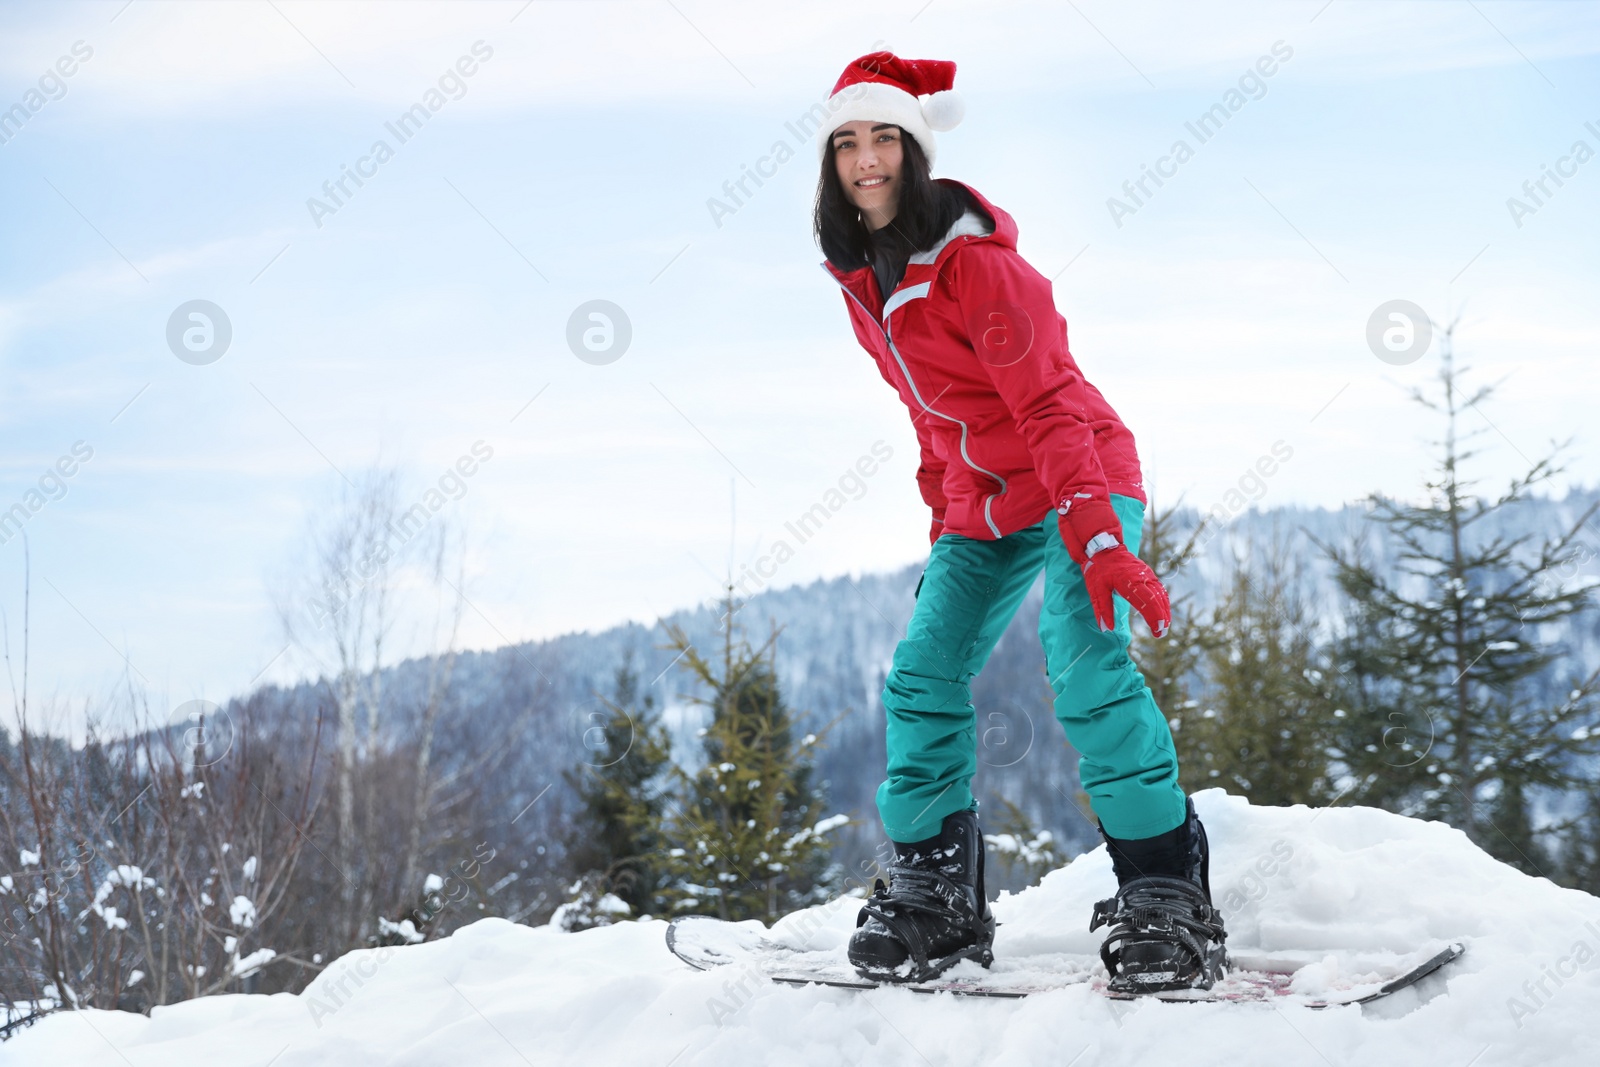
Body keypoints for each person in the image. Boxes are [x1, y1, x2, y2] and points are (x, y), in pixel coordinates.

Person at [812, 52, 1226, 992]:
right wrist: (940, 538)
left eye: (884, 138)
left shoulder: (981, 267)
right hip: (985, 503)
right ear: (831, 163)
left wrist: (1103, 540)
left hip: (1078, 473)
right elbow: (931, 419)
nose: (866, 158)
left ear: (914, 153)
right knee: (921, 672)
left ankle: (1165, 889)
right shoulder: (863, 279)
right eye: (847, 142)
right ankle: (935, 895)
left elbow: (1045, 406)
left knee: (1082, 665)